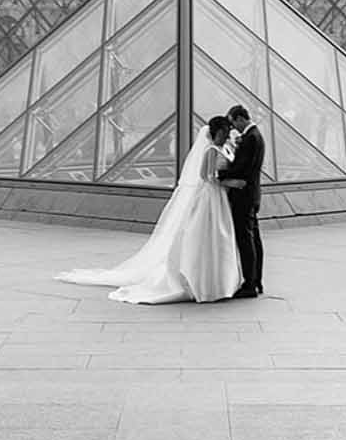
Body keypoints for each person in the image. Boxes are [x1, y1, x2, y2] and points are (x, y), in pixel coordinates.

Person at [56, 117, 240, 304]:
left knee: (217, 235)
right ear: (216, 132)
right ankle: (208, 281)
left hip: (218, 197)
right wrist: (229, 183)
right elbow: (206, 176)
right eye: (224, 131)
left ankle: (217, 280)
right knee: (207, 234)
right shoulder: (209, 150)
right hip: (211, 195)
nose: (226, 134)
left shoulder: (225, 148)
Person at [217, 102, 265, 297]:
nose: (233, 129)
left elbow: (242, 167)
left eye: (233, 123)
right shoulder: (255, 136)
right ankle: (256, 280)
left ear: (240, 118)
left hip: (244, 195)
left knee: (245, 240)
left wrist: (221, 176)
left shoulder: (250, 139)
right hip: (252, 194)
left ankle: (250, 285)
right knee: (254, 239)